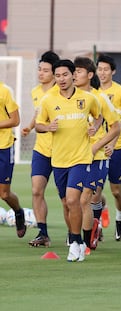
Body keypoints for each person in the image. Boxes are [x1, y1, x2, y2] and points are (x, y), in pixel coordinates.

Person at [35, 59, 101, 262]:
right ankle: (78, 241)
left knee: (74, 200)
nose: (61, 79)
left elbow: (99, 117)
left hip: (81, 158)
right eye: (58, 75)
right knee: (66, 203)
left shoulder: (88, 98)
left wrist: (95, 127)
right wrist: (48, 128)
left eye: (65, 75)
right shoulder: (48, 100)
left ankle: (74, 242)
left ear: (73, 75)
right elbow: (39, 125)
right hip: (59, 160)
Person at [73, 56, 121, 252]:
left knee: (85, 199)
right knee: (72, 200)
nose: (75, 74)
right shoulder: (71, 97)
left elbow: (116, 127)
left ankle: (85, 244)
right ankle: (83, 233)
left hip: (97, 157)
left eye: (79, 71)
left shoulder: (100, 97)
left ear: (89, 75)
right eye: (73, 71)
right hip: (75, 156)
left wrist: (98, 146)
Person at [21, 51, 60, 247]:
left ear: (55, 74)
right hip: (41, 150)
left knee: (68, 198)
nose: (41, 73)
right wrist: (30, 125)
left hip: (63, 151)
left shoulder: (60, 93)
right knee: (36, 191)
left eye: (45, 70)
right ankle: (43, 233)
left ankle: (80, 231)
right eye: (39, 69)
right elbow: (39, 115)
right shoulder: (35, 91)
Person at [96, 54, 121, 241]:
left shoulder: (120, 92)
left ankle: (120, 219)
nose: (102, 73)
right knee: (93, 190)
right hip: (96, 147)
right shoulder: (93, 91)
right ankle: (95, 227)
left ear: (113, 71)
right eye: (100, 69)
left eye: (106, 69)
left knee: (116, 190)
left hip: (117, 147)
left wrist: (113, 110)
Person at [0, 81, 26, 238]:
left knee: (4, 194)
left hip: (3, 146)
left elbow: (15, 120)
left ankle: (18, 212)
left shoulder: (4, 91)